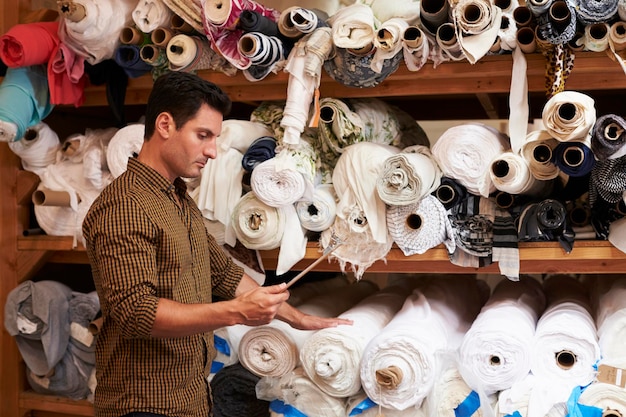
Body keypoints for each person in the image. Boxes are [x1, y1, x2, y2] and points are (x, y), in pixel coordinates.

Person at [82, 71, 352, 417]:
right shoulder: (125, 206)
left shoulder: (178, 198)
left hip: (188, 397)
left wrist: (295, 318)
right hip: (143, 403)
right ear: (165, 125)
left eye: (215, 138)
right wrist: (238, 312)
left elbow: (223, 274)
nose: (212, 151)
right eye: (203, 135)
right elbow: (137, 313)